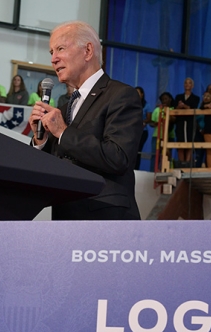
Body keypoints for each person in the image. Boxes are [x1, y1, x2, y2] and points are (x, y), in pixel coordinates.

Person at [29, 20, 143, 220]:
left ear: (88, 50)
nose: (53, 59)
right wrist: (41, 141)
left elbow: (118, 158)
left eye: (60, 49)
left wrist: (63, 132)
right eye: (51, 52)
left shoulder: (121, 95)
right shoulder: (64, 109)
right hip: (65, 220)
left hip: (105, 220)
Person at [174, 77, 200, 166]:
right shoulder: (178, 97)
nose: (187, 84)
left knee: (189, 140)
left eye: (189, 83)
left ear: (192, 86)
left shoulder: (195, 98)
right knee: (180, 140)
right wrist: (179, 106)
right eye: (185, 83)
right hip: (180, 122)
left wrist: (184, 106)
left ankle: (188, 162)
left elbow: (193, 108)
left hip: (190, 122)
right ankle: (181, 162)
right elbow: (175, 108)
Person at [150, 92, 175, 172]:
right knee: (155, 155)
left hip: (169, 136)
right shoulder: (157, 110)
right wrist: (155, 124)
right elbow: (151, 122)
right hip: (157, 136)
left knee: (167, 155)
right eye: (162, 99)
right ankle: (154, 171)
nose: (164, 100)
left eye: (166, 99)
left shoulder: (173, 110)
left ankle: (167, 170)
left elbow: (174, 120)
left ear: (170, 99)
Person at [135, 86, 152, 170]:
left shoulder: (147, 105)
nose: (137, 95)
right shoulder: (131, 104)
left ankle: (136, 169)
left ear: (142, 94)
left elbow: (149, 118)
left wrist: (143, 122)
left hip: (142, 131)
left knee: (138, 149)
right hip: (132, 131)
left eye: (138, 93)